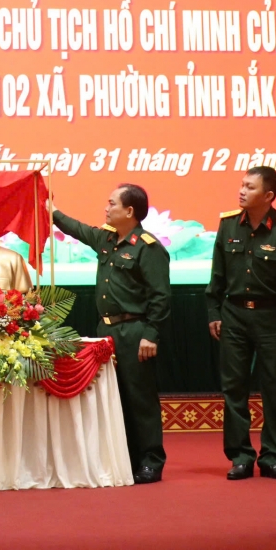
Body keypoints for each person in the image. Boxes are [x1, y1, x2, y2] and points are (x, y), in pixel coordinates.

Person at [51, 184, 171, 485]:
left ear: (129, 211)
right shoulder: (106, 238)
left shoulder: (148, 247)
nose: (106, 208)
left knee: (140, 398)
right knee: (115, 399)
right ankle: (125, 459)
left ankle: (151, 461)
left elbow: (161, 297)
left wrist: (151, 334)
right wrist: (50, 211)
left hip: (135, 331)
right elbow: (77, 229)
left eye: (112, 203)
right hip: (106, 331)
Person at [206, 166, 276, 480]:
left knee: (274, 388)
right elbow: (217, 276)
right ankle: (240, 457)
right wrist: (214, 313)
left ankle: (272, 456)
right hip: (233, 314)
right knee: (233, 389)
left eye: (250, 187)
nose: (242, 191)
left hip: (271, 318)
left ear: (268, 195)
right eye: (242, 185)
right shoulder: (227, 225)